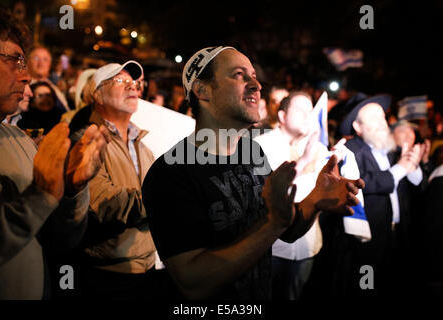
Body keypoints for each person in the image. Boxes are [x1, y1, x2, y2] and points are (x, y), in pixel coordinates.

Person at [141, 46, 364, 300]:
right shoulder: (170, 174)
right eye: (238, 75)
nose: (256, 85)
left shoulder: (251, 152)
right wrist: (273, 224)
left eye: (254, 76)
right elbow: (193, 283)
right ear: (202, 90)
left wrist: (316, 199)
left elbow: (285, 228)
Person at [0, 5, 109, 299]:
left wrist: (71, 189)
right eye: (15, 62)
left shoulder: (18, 140)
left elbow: (60, 239)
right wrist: (40, 196)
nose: (26, 77)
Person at [72, 61, 163, 299]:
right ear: (97, 94)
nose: (133, 87)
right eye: (121, 81)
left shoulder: (144, 146)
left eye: (135, 83)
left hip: (148, 269)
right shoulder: (85, 142)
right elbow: (103, 203)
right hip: (106, 275)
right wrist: (167, 198)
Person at [338, 94, 425, 296]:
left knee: (390, 284)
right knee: (365, 286)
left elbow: (414, 184)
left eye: (383, 117)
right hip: (368, 241)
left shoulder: (388, 149)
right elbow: (361, 184)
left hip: (395, 235)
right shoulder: (351, 151)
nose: (382, 123)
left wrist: (411, 165)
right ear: (358, 127)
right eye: (374, 119)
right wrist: (401, 168)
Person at [254, 92, 329, 299]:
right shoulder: (261, 146)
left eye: (311, 110)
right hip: (269, 248)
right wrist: (304, 162)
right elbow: (273, 195)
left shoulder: (320, 148)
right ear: (282, 116)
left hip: (306, 247)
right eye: (301, 110)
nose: (308, 115)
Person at [28, 45, 69, 112]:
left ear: (50, 64)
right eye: (36, 58)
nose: (41, 63)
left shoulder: (54, 88)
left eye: (45, 59)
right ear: (28, 62)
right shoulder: (23, 88)